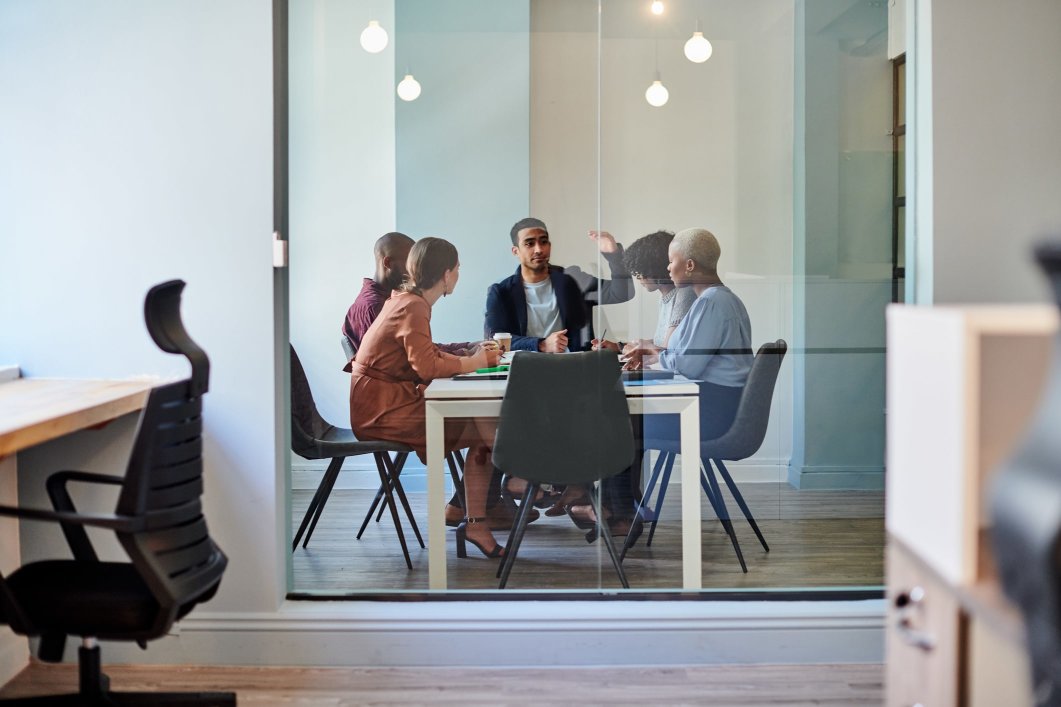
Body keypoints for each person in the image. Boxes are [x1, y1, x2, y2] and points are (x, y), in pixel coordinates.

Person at [350, 238, 507, 558]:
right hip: (381, 409)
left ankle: (477, 516)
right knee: (485, 433)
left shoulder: (407, 300)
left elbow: (422, 354)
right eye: (458, 269)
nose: (458, 275)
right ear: (447, 274)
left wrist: (464, 353)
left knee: (484, 428)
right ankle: (482, 513)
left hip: (386, 399)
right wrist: (474, 362)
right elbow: (426, 367)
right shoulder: (413, 305)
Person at [624, 227, 754, 442]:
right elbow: (683, 355)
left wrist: (657, 356)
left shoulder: (711, 303)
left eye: (671, 261)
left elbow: (686, 366)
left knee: (620, 422)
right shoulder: (717, 299)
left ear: (690, 265)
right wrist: (655, 353)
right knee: (624, 420)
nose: (667, 268)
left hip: (712, 412)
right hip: (717, 404)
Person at [484, 217, 634, 353]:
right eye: (529, 243)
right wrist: (540, 344)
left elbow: (622, 292)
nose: (539, 249)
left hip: (576, 369)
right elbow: (494, 341)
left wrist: (614, 255)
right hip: (523, 371)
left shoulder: (574, 280)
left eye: (543, 242)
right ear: (515, 251)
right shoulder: (501, 292)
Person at [343, 232, 474, 371]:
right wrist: (470, 359)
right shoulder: (376, 305)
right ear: (388, 263)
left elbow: (421, 349)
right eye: (411, 262)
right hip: (389, 389)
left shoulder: (397, 299)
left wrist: (467, 348)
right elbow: (414, 363)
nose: (416, 269)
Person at [592, 230, 697, 352]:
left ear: (655, 267)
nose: (638, 276)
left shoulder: (684, 294)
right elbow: (663, 342)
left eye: (641, 269)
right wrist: (619, 346)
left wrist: (631, 350)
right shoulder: (666, 298)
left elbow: (668, 352)